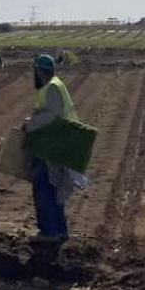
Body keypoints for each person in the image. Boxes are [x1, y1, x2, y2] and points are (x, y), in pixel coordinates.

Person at [21, 53, 86, 242]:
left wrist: (30, 125)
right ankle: (59, 229)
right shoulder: (54, 85)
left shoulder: (52, 88)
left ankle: (50, 232)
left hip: (52, 146)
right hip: (56, 142)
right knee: (54, 187)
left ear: (39, 71)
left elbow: (50, 115)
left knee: (44, 187)